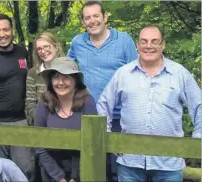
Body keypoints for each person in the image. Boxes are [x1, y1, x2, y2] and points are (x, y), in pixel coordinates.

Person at [97, 25, 201, 182]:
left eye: (154, 41)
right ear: (137, 45)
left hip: (169, 164)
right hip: (130, 163)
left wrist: (196, 140)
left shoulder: (179, 74)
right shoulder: (123, 74)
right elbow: (103, 104)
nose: (149, 46)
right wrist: (109, 137)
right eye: (144, 41)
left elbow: (199, 105)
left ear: (163, 44)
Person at [66, 1, 138, 180]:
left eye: (96, 16)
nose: (92, 21)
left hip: (119, 118)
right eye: (87, 18)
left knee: (120, 169)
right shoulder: (77, 42)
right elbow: (66, 71)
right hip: (88, 117)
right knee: (92, 168)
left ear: (105, 17)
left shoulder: (124, 40)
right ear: (83, 22)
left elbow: (137, 74)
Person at [0, 14, 35, 181]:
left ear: (12, 31)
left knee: (26, 167)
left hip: (20, 120)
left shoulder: (22, 51)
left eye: (5, 29)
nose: (2, 34)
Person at [35, 57, 97, 182]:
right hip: (51, 171)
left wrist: (76, 177)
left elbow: (93, 143)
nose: (60, 82)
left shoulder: (88, 102)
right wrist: (59, 178)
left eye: (66, 77)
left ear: (75, 80)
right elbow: (39, 144)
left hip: (82, 168)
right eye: (56, 77)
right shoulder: (44, 102)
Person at [25, 31, 65, 126]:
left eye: (46, 46)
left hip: (66, 123)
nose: (43, 51)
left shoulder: (68, 70)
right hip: (41, 124)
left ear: (55, 46)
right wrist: (40, 120)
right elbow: (30, 103)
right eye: (39, 49)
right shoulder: (33, 73)